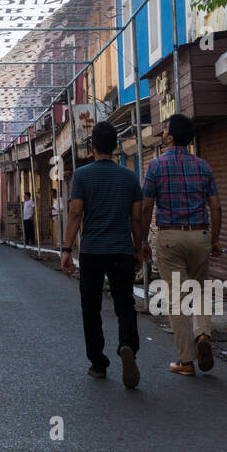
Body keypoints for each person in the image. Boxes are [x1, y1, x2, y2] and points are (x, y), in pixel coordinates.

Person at [61, 121, 144, 388]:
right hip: (121, 249)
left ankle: (98, 363)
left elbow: (75, 213)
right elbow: (137, 218)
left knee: (91, 307)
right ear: (115, 147)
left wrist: (65, 249)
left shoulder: (83, 176)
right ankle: (127, 345)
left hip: (92, 251)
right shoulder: (129, 177)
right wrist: (139, 247)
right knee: (124, 304)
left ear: (92, 146)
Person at [140, 113, 223, 377]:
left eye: (165, 130)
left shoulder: (155, 167)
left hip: (170, 237)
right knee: (199, 291)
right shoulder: (203, 166)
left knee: (177, 299)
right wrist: (215, 239)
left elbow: (146, 205)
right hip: (199, 235)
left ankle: (186, 361)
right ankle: (204, 336)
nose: (163, 134)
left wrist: (142, 240)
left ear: (172, 136)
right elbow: (217, 206)